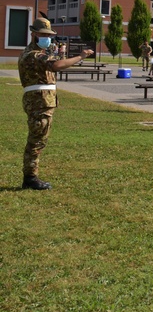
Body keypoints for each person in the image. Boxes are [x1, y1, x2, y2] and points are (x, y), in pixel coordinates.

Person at [17, 18, 95, 190]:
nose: (48, 38)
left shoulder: (34, 53)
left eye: (49, 35)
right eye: (44, 35)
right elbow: (57, 65)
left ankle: (31, 176)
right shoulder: (33, 55)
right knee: (36, 140)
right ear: (34, 34)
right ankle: (30, 177)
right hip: (39, 102)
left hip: (40, 101)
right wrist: (80, 56)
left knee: (38, 139)